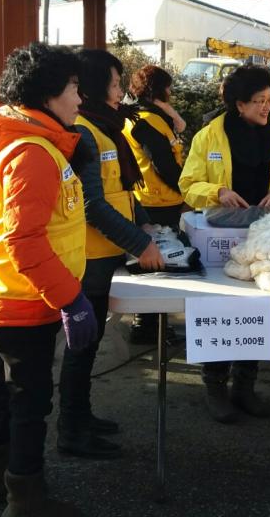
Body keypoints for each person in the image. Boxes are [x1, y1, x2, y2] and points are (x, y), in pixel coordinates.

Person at [0, 42, 93, 517]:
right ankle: (26, 501)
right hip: (21, 302)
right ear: (47, 93)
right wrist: (72, 299)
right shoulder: (32, 151)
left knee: (3, 396)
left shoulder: (12, 140)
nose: (80, 99)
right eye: (75, 88)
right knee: (30, 404)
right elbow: (26, 241)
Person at [56, 49, 164, 461]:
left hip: (105, 255)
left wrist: (145, 221)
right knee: (81, 345)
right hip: (89, 257)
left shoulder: (107, 129)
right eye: (116, 84)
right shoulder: (84, 132)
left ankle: (81, 417)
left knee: (90, 341)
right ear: (97, 86)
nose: (121, 92)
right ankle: (71, 429)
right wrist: (141, 244)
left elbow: (119, 191)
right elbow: (91, 205)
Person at [179, 65, 270, 422]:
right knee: (223, 308)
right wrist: (217, 191)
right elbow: (188, 183)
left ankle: (245, 386)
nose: (267, 107)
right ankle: (215, 387)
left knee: (264, 309)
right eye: (259, 101)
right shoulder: (209, 136)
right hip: (222, 237)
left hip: (266, 238)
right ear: (238, 104)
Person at [122, 64, 187, 343]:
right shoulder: (146, 121)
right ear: (158, 90)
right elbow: (164, 165)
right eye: (168, 87)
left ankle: (146, 324)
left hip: (152, 198)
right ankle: (148, 326)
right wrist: (187, 190)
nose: (171, 93)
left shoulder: (141, 116)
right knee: (160, 266)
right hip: (158, 201)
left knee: (150, 262)